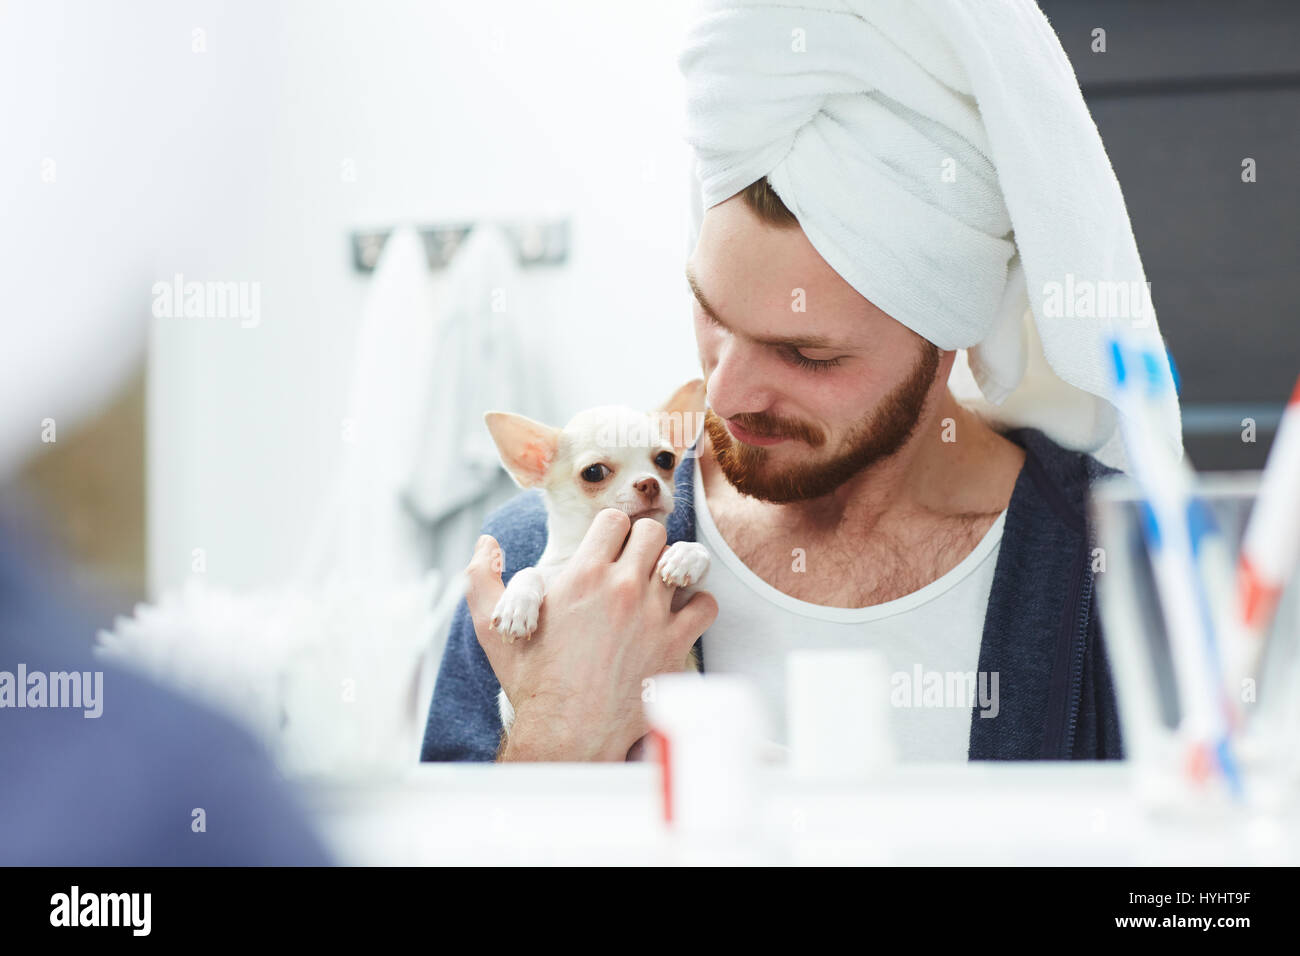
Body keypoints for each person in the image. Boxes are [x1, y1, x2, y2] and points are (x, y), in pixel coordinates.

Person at [421, 0, 1182, 763]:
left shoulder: (1120, 570)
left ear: (949, 333)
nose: (725, 396)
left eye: (806, 355)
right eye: (714, 316)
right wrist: (560, 727)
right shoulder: (536, 565)